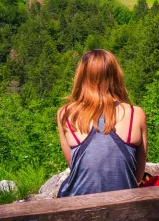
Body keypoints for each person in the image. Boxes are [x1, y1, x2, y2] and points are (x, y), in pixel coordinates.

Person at [56, 49, 148, 197]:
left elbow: (75, 167)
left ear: (81, 77)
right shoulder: (136, 114)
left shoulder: (65, 114)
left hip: (76, 208)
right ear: (116, 75)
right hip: (124, 210)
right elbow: (136, 176)